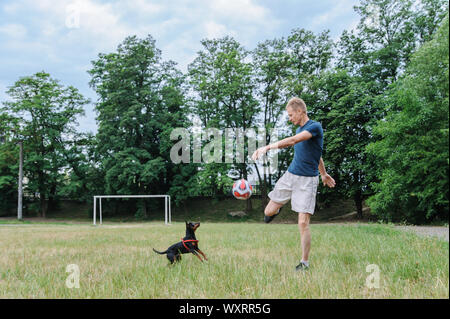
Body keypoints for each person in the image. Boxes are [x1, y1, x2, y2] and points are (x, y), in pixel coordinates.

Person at [252, 97, 336, 271]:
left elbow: (294, 142)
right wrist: (324, 172)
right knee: (269, 212)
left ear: (300, 111)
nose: (290, 118)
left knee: (303, 222)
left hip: (307, 182)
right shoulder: (300, 129)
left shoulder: (314, 127)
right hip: (290, 177)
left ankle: (304, 263)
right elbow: (316, 154)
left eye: (291, 115)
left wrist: (266, 148)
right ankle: (280, 206)